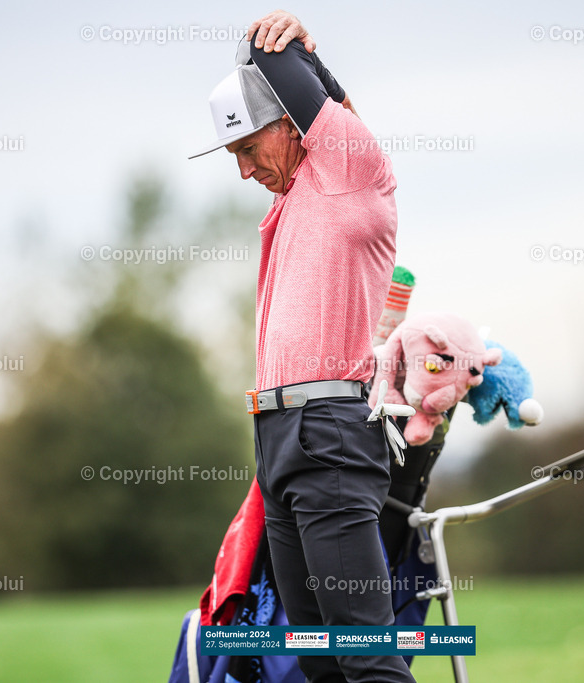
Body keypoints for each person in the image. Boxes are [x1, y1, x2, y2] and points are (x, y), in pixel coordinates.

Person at [189, 10, 416, 683]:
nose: (243, 170)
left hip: (328, 434)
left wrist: (288, 46)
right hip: (280, 439)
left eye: (247, 149)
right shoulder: (295, 197)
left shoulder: (351, 169)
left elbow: (276, 60)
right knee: (317, 660)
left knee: (365, 655)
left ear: (292, 125)